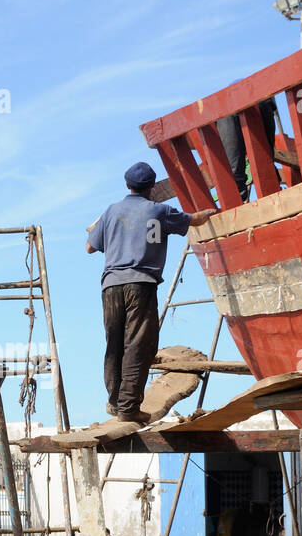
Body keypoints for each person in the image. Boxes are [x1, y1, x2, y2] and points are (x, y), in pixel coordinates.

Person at [86, 162, 213, 423]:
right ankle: (129, 408)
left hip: (110, 285)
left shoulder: (111, 211)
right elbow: (194, 220)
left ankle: (115, 402)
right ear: (152, 188)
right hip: (141, 284)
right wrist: (212, 211)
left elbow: (90, 247)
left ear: (126, 185)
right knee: (138, 346)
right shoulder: (159, 211)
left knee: (115, 344)